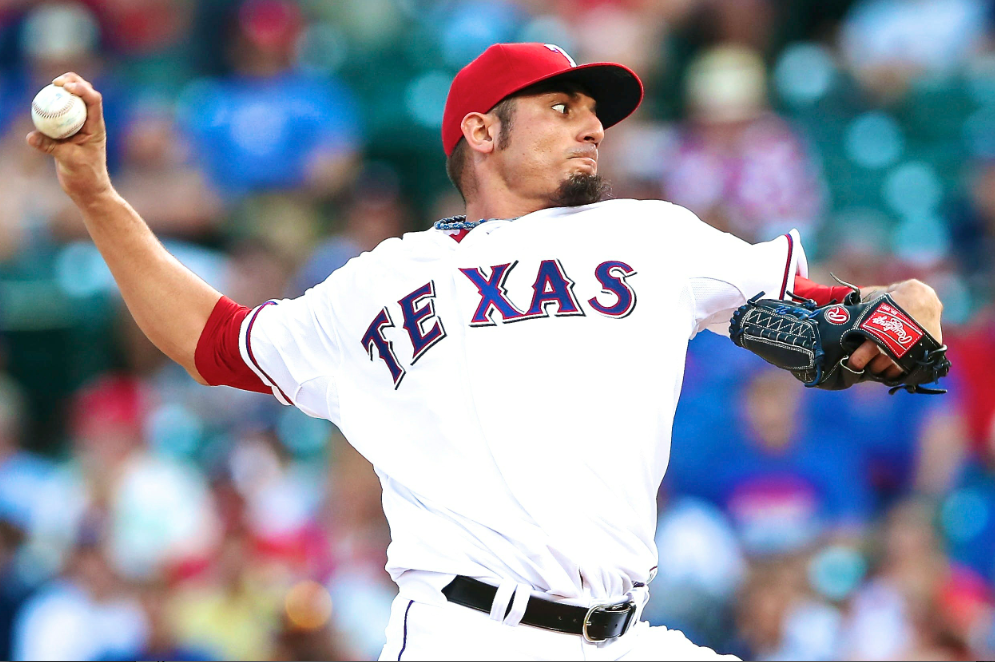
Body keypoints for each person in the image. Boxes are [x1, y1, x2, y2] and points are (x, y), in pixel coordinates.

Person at [27, 42, 945, 661]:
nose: (591, 125)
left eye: (593, 111)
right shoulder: (379, 280)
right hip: (471, 632)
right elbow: (215, 341)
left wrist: (906, 310)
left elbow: (841, 314)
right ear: (480, 130)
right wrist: (99, 197)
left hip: (625, 636)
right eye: (560, 106)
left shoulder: (654, 236)